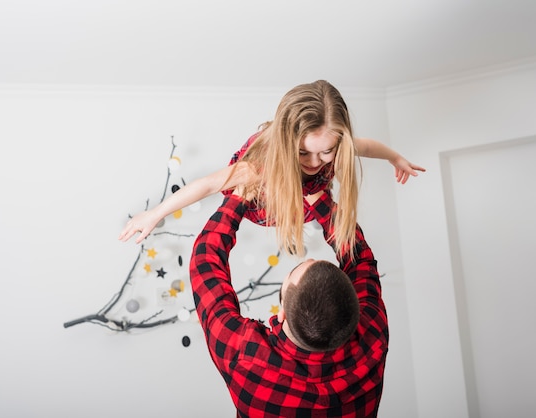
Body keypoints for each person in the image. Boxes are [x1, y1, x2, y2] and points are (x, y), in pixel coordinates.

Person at [119, 80, 425, 258]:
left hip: (308, 193)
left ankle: (311, 198)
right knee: (251, 185)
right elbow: (208, 185)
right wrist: (154, 214)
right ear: (289, 142)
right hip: (263, 195)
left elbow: (368, 146)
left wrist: (395, 158)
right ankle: (285, 196)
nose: (315, 161)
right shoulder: (260, 166)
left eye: (326, 152)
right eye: (304, 152)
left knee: (320, 189)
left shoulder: (338, 148)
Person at [189, 187, 388, 417]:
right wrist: (315, 193)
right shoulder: (372, 337)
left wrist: (240, 195)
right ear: (355, 305)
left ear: (282, 313)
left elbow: (205, 263)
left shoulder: (248, 359)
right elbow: (359, 257)